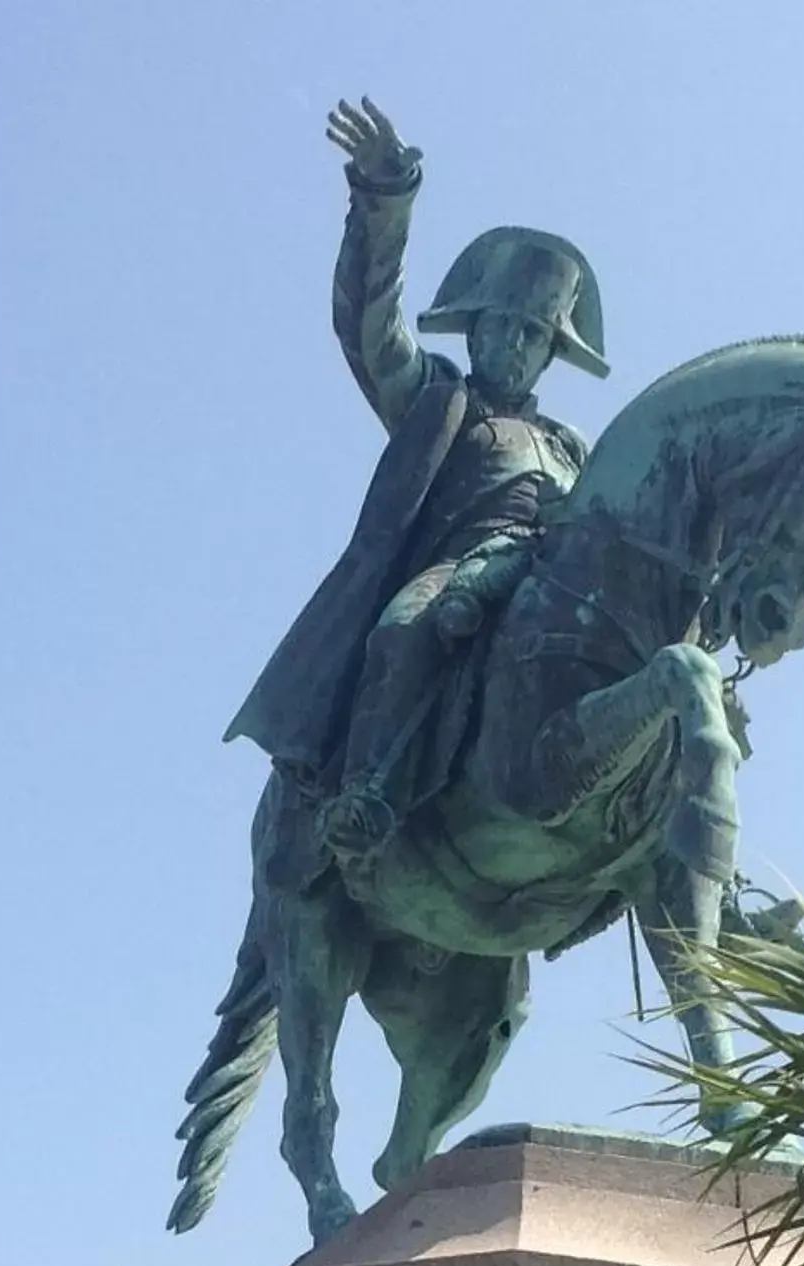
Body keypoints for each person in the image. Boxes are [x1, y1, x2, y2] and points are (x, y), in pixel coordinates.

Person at [224, 97, 608, 863]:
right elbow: (369, 329)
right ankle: (365, 791)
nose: (518, 343)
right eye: (505, 323)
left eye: (536, 334)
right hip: (454, 577)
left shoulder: (574, 447)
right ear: (476, 327)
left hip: (551, 587)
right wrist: (387, 198)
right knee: (404, 626)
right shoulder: (439, 399)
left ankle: (706, 884)